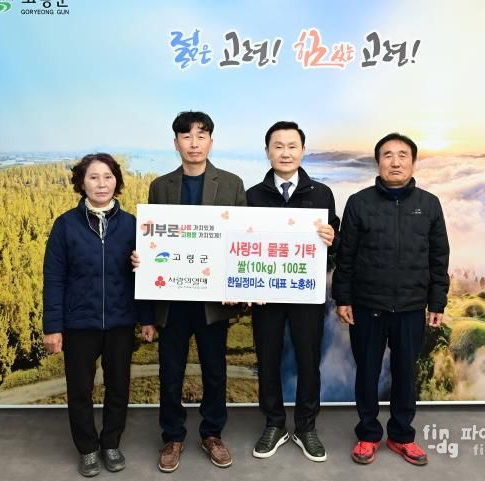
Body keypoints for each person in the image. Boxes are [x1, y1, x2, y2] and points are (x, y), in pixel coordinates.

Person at [332, 133, 450, 466]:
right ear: (377, 162)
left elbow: (439, 257)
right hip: (367, 305)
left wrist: (437, 302)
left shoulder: (429, 204)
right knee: (367, 373)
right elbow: (346, 256)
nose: (395, 162)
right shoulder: (359, 202)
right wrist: (343, 298)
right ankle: (368, 435)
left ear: (413, 162)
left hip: (411, 307)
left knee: (405, 374)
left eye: (402, 155)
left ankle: (401, 436)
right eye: (387, 155)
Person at [145, 111, 246, 472]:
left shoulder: (231, 184)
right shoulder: (161, 186)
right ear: (175, 143)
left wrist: (236, 284)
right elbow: (153, 239)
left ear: (211, 142)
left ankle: (212, 434)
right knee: (170, 371)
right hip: (172, 300)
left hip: (213, 300)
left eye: (201, 136)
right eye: (186, 136)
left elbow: (240, 240)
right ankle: (172, 436)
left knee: (214, 371)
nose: (193, 143)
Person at [43, 153, 155, 477]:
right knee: (80, 390)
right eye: (93, 177)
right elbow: (54, 278)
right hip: (79, 323)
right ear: (82, 183)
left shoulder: (133, 225)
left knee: (118, 387)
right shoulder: (65, 225)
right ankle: (88, 449)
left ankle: (111, 443)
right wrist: (53, 326)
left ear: (117, 181)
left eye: (108, 177)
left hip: (121, 321)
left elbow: (144, 277)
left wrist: (147, 318)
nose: (101, 184)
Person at [245, 121, 338, 462]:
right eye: (278, 146)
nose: (285, 153)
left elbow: (335, 245)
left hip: (305, 293)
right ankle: (274, 423)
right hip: (265, 294)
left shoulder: (322, 193)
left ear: (303, 150)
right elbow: (241, 245)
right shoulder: (252, 195)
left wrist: (333, 238)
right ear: (267, 151)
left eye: (292, 146)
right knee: (267, 358)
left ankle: (306, 426)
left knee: (308, 360)